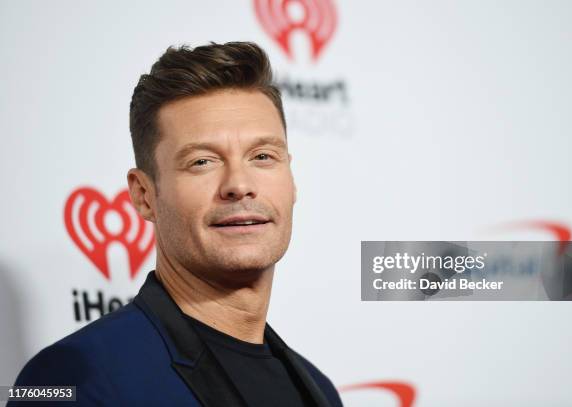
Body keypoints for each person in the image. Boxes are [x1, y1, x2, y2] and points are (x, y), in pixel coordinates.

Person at [9, 41, 343, 407]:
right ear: (144, 195)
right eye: (202, 162)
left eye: (262, 156)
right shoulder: (65, 379)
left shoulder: (319, 389)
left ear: (291, 180)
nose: (240, 185)